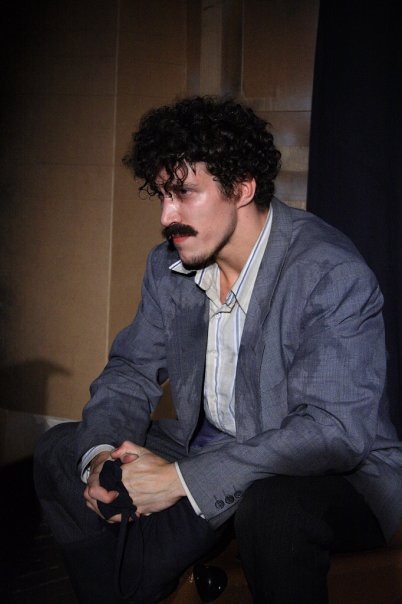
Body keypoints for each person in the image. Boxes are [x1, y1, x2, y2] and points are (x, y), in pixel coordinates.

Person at [34, 96, 402, 604]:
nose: (166, 216)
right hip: (208, 446)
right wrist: (102, 459)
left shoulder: (329, 273)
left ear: (242, 187)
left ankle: (130, 584)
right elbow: (130, 371)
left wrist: (180, 480)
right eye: (161, 195)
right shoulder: (169, 266)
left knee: (272, 509)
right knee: (62, 450)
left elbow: (332, 431)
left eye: (184, 193)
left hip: (334, 475)